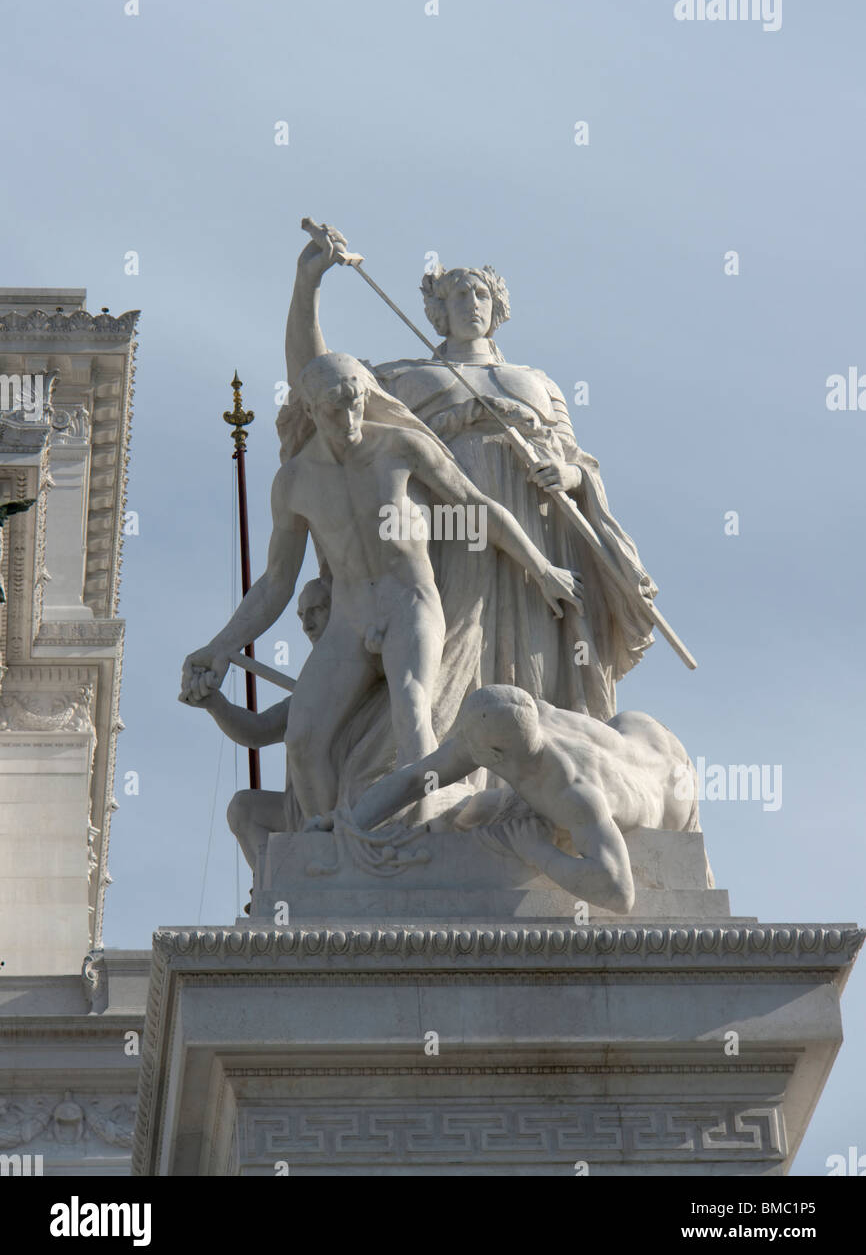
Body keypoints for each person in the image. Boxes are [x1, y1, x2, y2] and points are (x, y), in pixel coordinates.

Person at [283, 226, 657, 737]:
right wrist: (309, 284)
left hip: (536, 525)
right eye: (457, 293)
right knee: (448, 648)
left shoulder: (539, 383)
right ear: (437, 309)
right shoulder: (407, 376)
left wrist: (570, 475)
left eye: (481, 292)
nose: (471, 302)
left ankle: (530, 774)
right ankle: (439, 773)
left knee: (539, 655)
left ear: (497, 306)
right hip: (447, 525)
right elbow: (315, 378)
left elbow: (578, 460)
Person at [182, 352, 583, 819]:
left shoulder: (401, 447)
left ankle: (425, 831)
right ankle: (329, 851)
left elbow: (477, 509)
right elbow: (276, 583)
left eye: (357, 400)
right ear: (309, 409)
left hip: (407, 602)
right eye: (335, 406)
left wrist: (541, 568)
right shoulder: (293, 483)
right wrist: (219, 648)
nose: (350, 416)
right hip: (349, 620)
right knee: (304, 742)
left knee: (414, 715)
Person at [342, 685, 701, 914]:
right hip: (639, 728)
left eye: (471, 748)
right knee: (481, 810)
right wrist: (348, 824)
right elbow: (417, 777)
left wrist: (538, 852)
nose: (460, 751)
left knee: (484, 813)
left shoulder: (574, 793)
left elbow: (620, 892)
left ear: (494, 756)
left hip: (670, 791)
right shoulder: (525, 718)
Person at [180, 577, 332, 870]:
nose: (307, 625)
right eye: (302, 615)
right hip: (303, 811)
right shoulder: (309, 691)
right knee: (244, 810)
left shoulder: (359, 677)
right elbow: (258, 731)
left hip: (349, 804)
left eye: (317, 610)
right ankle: (274, 888)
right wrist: (215, 704)